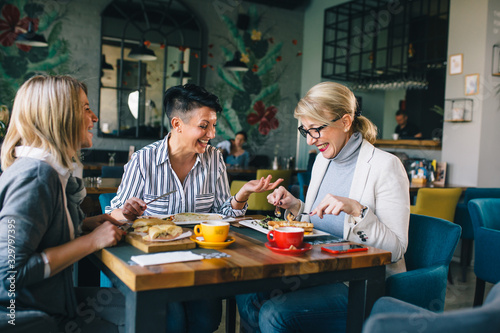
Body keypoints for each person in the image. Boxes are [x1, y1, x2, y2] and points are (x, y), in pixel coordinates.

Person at [235, 81, 410, 333]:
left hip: (358, 282)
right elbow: (320, 220)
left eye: (316, 129)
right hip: (316, 269)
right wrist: (295, 205)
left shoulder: (386, 166)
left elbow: (396, 250)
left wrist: (357, 211)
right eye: (305, 131)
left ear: (346, 122)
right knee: (247, 294)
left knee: (275, 314)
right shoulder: (322, 161)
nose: (310, 140)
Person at [109, 83, 282, 332]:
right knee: (174, 322)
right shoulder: (143, 160)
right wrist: (125, 212)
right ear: (177, 124)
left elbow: (224, 215)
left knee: (207, 321)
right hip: (157, 261)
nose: (212, 134)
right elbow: (112, 214)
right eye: (203, 126)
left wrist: (242, 195)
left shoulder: (214, 159)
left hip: (203, 260)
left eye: (213, 125)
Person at [0, 75, 126, 332]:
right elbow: (9, 273)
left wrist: (86, 224)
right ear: (59, 115)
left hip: (55, 302)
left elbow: (41, 235)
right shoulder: (36, 176)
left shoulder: (48, 170)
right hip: (32, 316)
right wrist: (91, 241)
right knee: (143, 313)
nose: (95, 118)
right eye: (86, 108)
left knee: (136, 306)